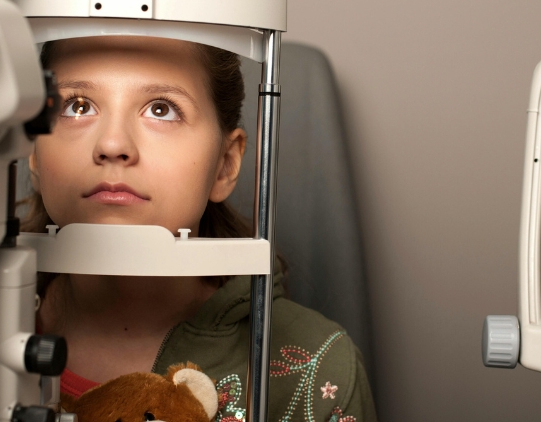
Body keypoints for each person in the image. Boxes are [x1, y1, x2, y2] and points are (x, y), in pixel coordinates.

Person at [21, 35, 377, 422]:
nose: (112, 144)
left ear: (224, 165)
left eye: (161, 109)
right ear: (34, 154)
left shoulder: (319, 369)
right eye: (78, 106)